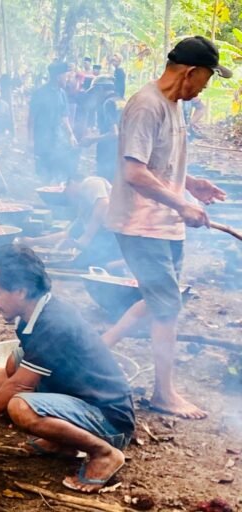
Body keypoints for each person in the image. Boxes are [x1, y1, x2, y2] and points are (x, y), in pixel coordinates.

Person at [0, 245, 135, 493]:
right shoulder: (33, 315)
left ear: (20, 290)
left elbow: (19, 385)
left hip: (109, 420)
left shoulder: (53, 323)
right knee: (17, 359)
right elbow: (13, 376)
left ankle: (103, 453)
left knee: (20, 406)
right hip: (82, 403)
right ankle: (61, 442)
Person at [105, 35, 230, 419]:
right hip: (142, 226)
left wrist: (190, 184)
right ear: (190, 72)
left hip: (164, 224)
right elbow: (133, 172)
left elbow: (158, 163)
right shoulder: (146, 106)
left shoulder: (174, 105)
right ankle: (164, 393)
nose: (204, 88)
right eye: (206, 80)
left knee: (162, 299)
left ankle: (95, 346)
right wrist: (182, 203)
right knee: (166, 309)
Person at [22, 172, 122, 271]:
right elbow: (66, 234)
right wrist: (33, 241)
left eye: (66, 191)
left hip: (117, 236)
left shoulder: (90, 182)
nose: (67, 197)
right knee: (79, 264)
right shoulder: (84, 210)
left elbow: (103, 204)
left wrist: (87, 236)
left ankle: (115, 265)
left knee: (88, 264)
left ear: (71, 183)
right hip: (107, 243)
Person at [28, 61, 78, 182]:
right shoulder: (39, 94)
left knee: (57, 165)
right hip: (42, 137)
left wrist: (71, 135)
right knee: (44, 168)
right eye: (66, 76)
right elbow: (31, 118)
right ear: (58, 76)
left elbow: (64, 116)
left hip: (57, 137)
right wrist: (30, 140)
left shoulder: (62, 94)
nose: (68, 79)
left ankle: (53, 188)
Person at [81, 76, 123, 182]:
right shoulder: (121, 101)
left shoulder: (108, 104)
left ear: (100, 89)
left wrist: (92, 139)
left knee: (105, 183)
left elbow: (114, 133)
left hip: (109, 153)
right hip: (123, 151)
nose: (94, 96)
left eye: (94, 92)